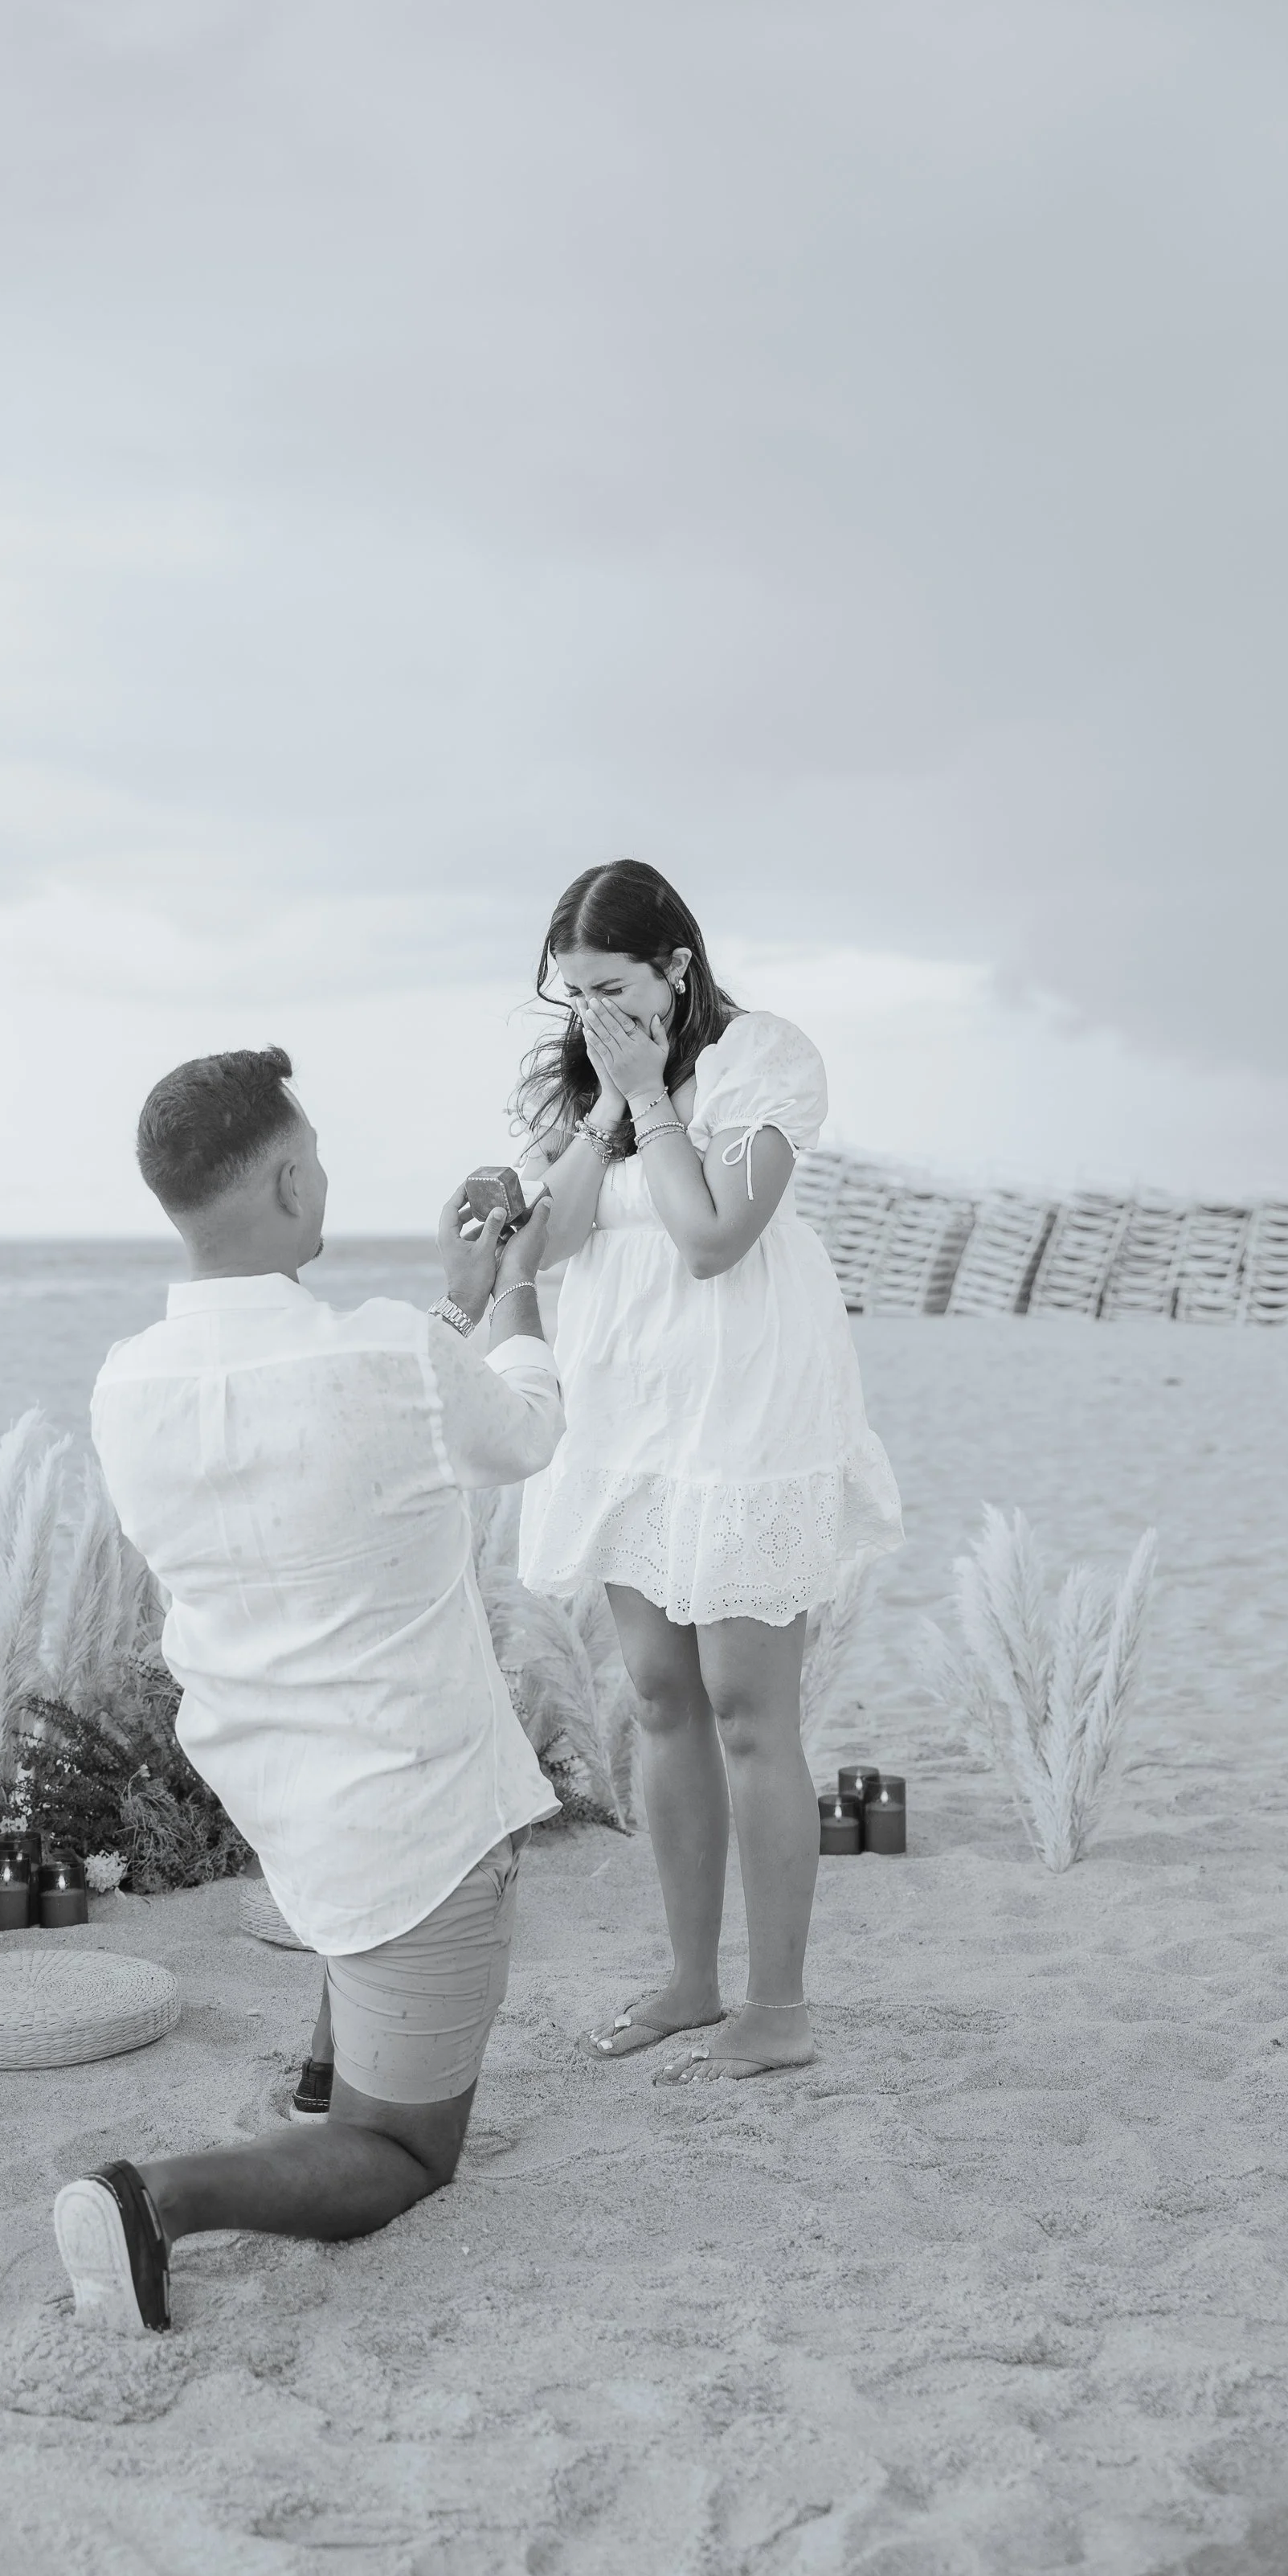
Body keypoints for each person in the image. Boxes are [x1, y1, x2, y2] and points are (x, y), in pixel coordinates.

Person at [51, 1045, 562, 2333]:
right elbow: (521, 1433)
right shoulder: (390, 1357)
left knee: (358, 1894)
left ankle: (329, 2067)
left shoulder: (128, 1383)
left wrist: (450, 1311)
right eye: (317, 1159)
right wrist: (518, 1298)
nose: (324, 1179)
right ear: (287, 1182)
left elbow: (352, 1428)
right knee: (404, 2153)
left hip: (280, 1783)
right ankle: (150, 2200)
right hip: (417, 1810)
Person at [514, 862, 903, 2084]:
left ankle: (779, 2006)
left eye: (613, 987)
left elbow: (713, 1239)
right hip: (629, 1412)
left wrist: (651, 1099)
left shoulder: (762, 1060)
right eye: (574, 993)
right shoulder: (587, 1085)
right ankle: (691, 1981)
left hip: (744, 1412)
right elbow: (547, 1241)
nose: (592, 1014)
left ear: (677, 966)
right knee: (658, 1696)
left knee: (745, 1706)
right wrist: (603, 1110)